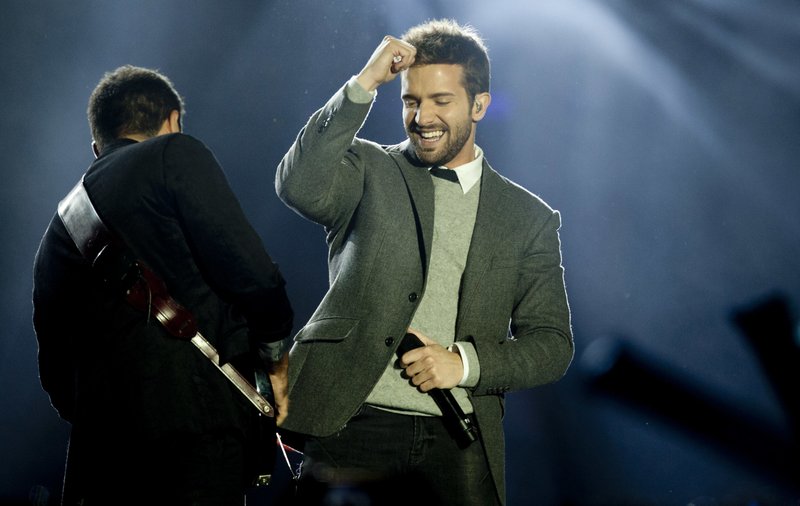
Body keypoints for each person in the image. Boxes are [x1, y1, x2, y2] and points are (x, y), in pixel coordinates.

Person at [275, 19, 574, 506]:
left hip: (458, 439)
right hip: (350, 424)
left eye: (441, 101)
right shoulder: (370, 168)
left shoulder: (528, 218)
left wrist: (464, 363)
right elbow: (298, 185)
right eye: (411, 101)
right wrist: (365, 83)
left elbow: (552, 345)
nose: (421, 117)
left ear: (479, 105)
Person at [32, 65, 294, 506]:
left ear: (97, 146)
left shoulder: (55, 234)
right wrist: (276, 359)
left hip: (96, 462)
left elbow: (55, 376)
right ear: (172, 121)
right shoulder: (174, 153)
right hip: (193, 440)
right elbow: (254, 275)